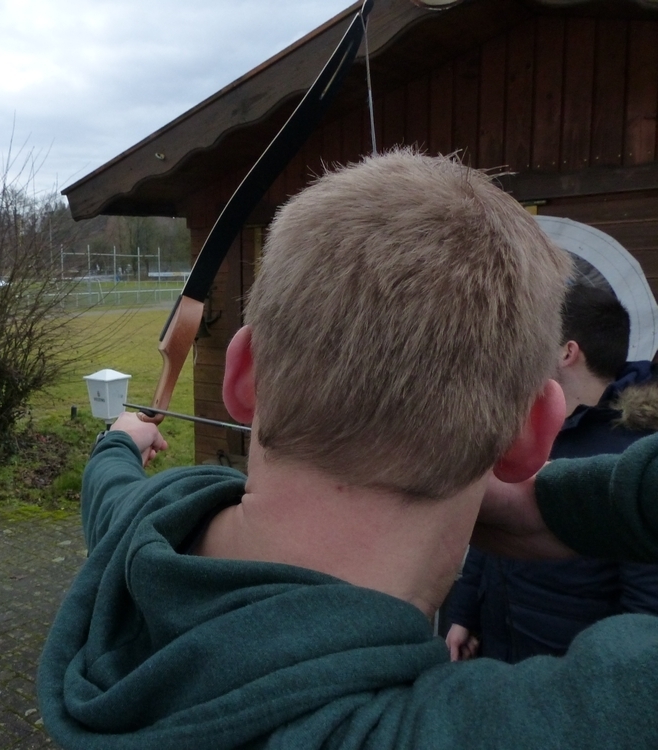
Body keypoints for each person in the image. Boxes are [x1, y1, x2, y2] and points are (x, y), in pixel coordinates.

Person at [37, 151, 658, 748]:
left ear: (243, 375)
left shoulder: (143, 538)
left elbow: (112, 495)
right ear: (536, 433)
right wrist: (590, 505)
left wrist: (117, 443)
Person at [444, 285, 658, 662]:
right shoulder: (529, 427)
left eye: (531, 340)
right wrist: (464, 613)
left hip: (565, 673)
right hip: (501, 655)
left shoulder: (631, 457)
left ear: (566, 351)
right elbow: (498, 523)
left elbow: (644, 609)